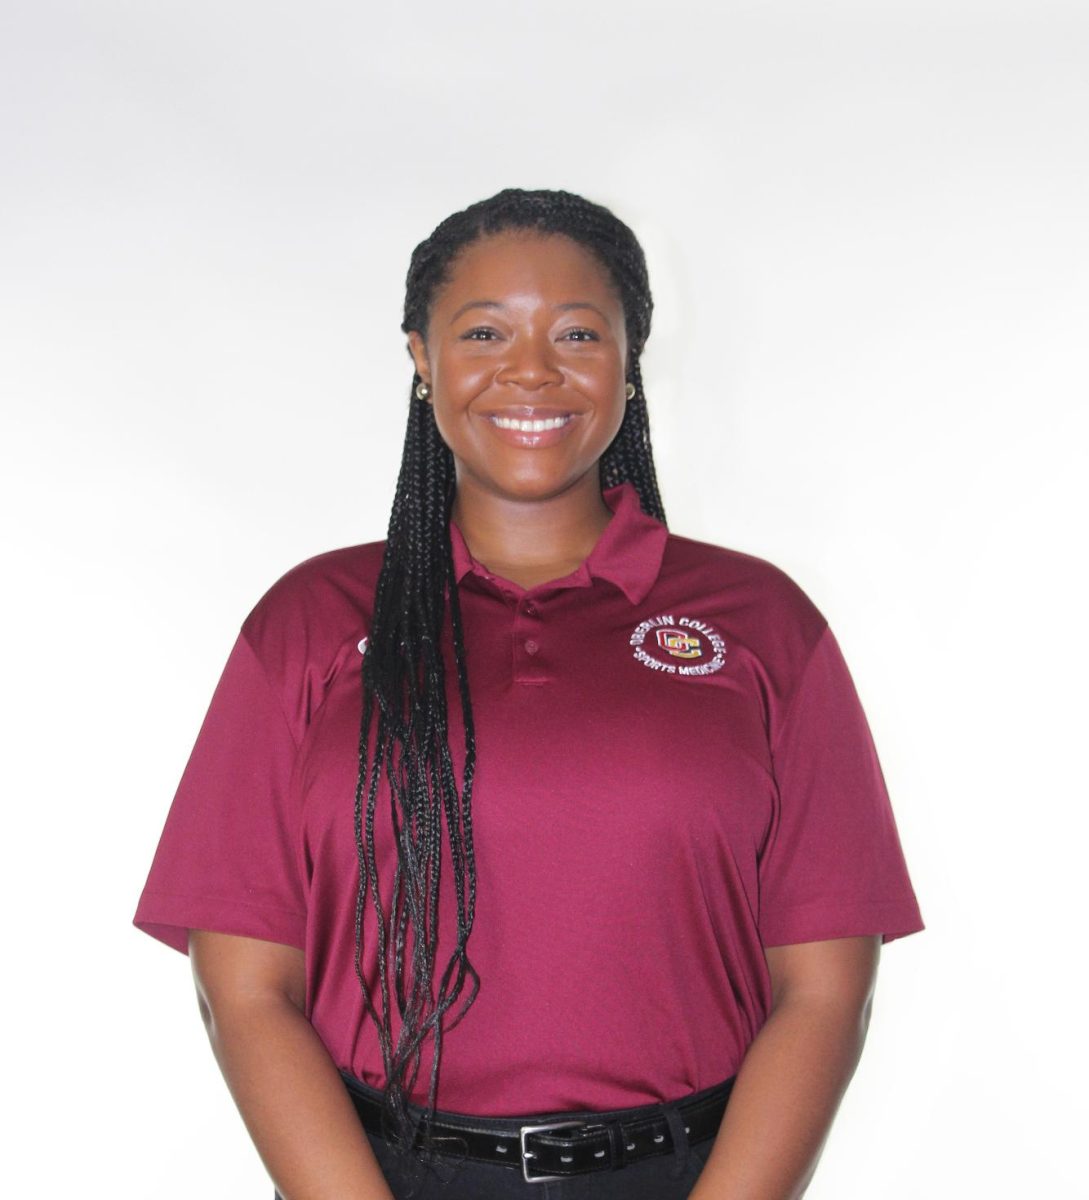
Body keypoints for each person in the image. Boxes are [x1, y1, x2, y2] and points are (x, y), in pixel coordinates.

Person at [134, 187, 925, 1200]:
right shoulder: (308, 624)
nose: (532, 370)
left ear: (630, 359)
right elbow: (244, 990)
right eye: (484, 331)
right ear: (422, 359)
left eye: (579, 332)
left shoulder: (762, 624)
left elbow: (824, 989)